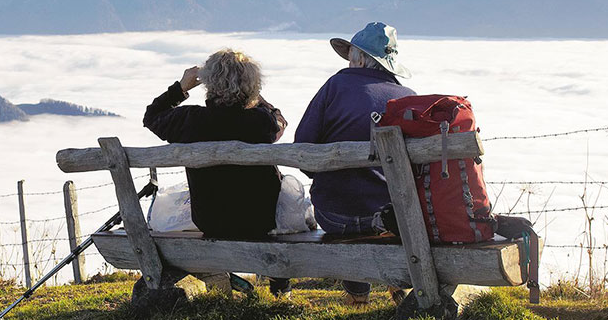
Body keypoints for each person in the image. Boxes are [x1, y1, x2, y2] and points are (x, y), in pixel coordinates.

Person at [143, 49, 291, 294]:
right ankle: (280, 286)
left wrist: (181, 87)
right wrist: (257, 96)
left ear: (208, 84)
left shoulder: (188, 120)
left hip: (211, 220)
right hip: (262, 220)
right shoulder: (261, 122)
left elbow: (152, 116)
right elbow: (279, 120)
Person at [293, 22, 413, 305]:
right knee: (383, 217)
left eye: (350, 54)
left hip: (335, 215)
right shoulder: (408, 96)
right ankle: (399, 284)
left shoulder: (335, 85)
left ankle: (358, 294)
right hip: (393, 218)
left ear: (359, 57)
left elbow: (303, 149)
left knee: (345, 209)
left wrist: (319, 172)